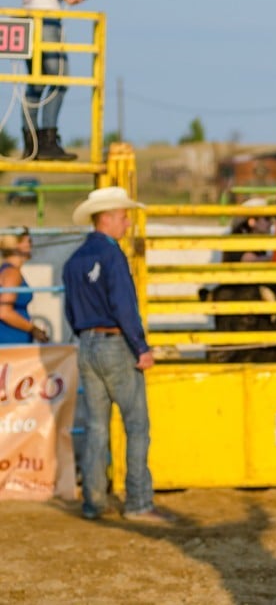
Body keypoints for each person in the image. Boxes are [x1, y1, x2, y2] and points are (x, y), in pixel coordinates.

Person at [63, 187, 171, 524]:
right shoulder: (112, 256)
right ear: (107, 218)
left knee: (96, 426)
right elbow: (124, 306)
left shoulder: (73, 260)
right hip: (114, 343)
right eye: (123, 217)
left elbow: (71, 309)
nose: (126, 223)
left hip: (87, 344)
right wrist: (140, 346)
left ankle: (94, 502)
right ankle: (138, 502)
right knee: (136, 425)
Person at [18, 0, 84, 161]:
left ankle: (32, 144)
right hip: (44, 15)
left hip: (35, 12)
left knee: (37, 83)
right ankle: (47, 141)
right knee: (58, 80)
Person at [0, 227, 49, 343]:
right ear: (18, 245)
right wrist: (33, 329)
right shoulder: (12, 273)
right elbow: (4, 312)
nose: (31, 246)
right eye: (28, 241)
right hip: (10, 341)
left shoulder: (9, 271)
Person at [223, 197, 274, 263]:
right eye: (267, 218)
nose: (271, 223)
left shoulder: (257, 243)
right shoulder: (238, 241)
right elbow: (250, 261)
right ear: (252, 222)